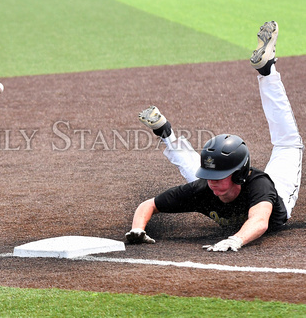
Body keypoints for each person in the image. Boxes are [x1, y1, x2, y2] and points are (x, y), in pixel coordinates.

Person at [125, 21, 303, 252]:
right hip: (214, 194)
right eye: (210, 175)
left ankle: (267, 71)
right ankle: (165, 134)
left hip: (275, 192)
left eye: (218, 176)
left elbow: (259, 222)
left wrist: (235, 240)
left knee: (287, 143)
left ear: (239, 175)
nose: (212, 181)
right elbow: (148, 205)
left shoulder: (260, 187)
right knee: (194, 174)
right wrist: (138, 229)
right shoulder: (205, 187)